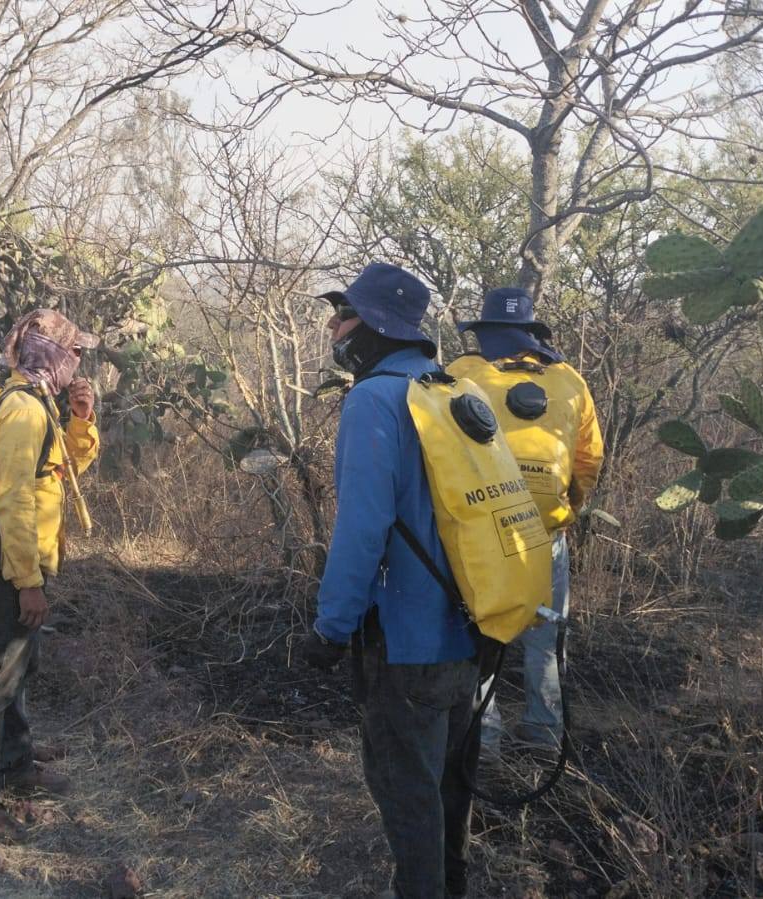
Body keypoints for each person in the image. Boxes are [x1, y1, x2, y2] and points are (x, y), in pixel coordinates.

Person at [300, 262, 482, 899]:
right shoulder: (450, 390)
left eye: (343, 314)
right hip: (470, 628)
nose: (333, 327)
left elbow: (362, 528)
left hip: (406, 641)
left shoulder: (374, 400)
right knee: (449, 786)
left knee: (408, 794)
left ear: (375, 326)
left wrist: (331, 627)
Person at [0, 309, 101, 844]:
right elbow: (12, 503)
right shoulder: (22, 410)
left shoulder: (39, 403)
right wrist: (28, 583)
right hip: (5, 567)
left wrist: (81, 419)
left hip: (18, 562)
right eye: (73, 351)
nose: (78, 361)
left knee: (18, 666)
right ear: (49, 353)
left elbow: (60, 477)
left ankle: (15, 763)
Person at [448, 287, 604, 751]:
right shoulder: (570, 380)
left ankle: (484, 739)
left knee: (481, 631)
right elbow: (589, 459)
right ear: (532, 333)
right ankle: (544, 732)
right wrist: (567, 510)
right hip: (546, 532)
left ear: (485, 331)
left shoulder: (461, 373)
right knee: (545, 638)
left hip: (481, 531)